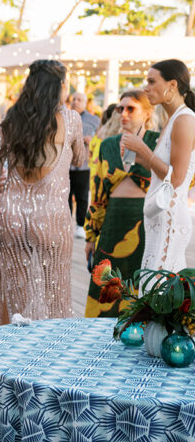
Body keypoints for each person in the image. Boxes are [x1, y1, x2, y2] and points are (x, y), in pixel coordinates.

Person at [0, 60, 84, 324]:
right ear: (60, 86)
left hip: (13, 216)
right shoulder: (71, 120)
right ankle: (54, 352)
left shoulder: (11, 120)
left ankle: (13, 351)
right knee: (56, 294)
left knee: (14, 295)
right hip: (51, 216)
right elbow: (78, 160)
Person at [84, 90, 158, 317]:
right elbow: (98, 193)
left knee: (142, 285)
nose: (123, 114)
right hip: (113, 223)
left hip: (145, 221)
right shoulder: (107, 145)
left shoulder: (157, 142)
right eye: (120, 108)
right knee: (107, 286)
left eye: (131, 108)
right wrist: (90, 235)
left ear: (147, 113)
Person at [120, 59, 195, 274]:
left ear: (172, 85)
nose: (146, 87)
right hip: (158, 217)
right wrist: (137, 156)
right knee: (152, 290)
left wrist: (143, 150)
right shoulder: (172, 120)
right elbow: (162, 170)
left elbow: (177, 178)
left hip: (169, 219)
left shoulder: (184, 119)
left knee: (158, 291)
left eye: (152, 81)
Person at [68, 91, 100, 238]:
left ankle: (80, 225)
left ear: (85, 103)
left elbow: (99, 139)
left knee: (81, 196)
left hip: (83, 164)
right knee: (66, 195)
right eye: (74, 99)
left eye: (79, 100)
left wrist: (91, 140)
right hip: (66, 164)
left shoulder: (94, 120)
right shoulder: (64, 117)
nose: (75, 102)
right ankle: (66, 223)